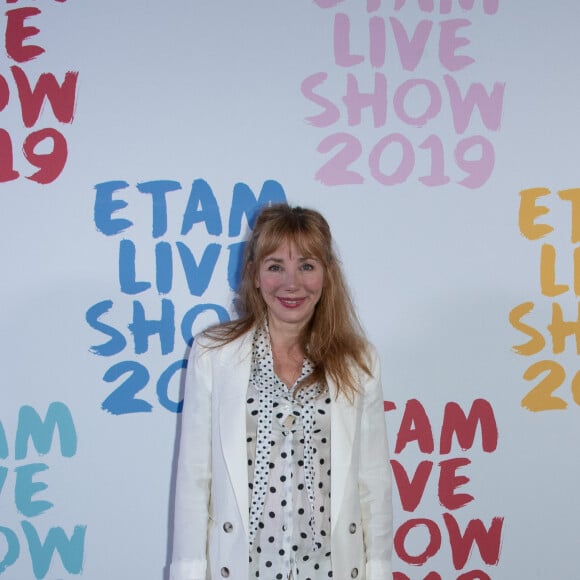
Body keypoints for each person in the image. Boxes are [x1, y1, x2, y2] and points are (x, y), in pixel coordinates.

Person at [169, 204, 393, 580]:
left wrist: (379, 570)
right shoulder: (213, 355)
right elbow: (195, 481)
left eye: (307, 265)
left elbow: (373, 482)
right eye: (275, 267)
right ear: (254, 275)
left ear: (326, 275)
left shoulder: (359, 361)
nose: (292, 284)